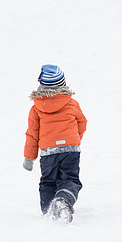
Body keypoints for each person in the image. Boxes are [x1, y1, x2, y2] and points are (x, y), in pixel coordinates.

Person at [23, 64, 87, 223]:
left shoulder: (36, 108)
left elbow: (32, 135)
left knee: (48, 182)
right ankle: (63, 202)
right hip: (71, 150)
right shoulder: (72, 103)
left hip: (48, 152)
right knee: (70, 180)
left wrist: (29, 158)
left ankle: (48, 213)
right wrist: (74, 140)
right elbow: (82, 123)